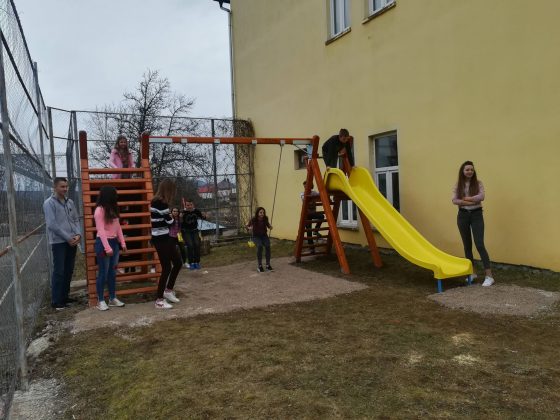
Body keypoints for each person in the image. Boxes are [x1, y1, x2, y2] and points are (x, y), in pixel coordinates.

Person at [452, 161, 495, 287]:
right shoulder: (458, 185)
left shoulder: (478, 183)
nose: (469, 171)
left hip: (477, 215)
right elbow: (454, 200)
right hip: (463, 216)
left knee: (479, 244)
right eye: (467, 169)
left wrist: (465, 199)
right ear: (462, 171)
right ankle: (472, 273)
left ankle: (489, 276)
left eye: (471, 169)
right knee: (467, 246)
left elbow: (481, 197)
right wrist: (471, 202)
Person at [43, 177, 82, 310]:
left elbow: (76, 219)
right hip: (59, 242)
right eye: (62, 186)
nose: (65, 189)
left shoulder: (70, 202)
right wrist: (68, 238)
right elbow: (52, 225)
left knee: (69, 270)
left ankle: (65, 297)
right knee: (59, 271)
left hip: (72, 241)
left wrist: (78, 234)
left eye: (66, 186)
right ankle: (56, 301)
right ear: (55, 187)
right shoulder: (49, 203)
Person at [150, 179, 183, 308]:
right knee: (167, 267)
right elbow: (170, 222)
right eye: (172, 191)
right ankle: (159, 300)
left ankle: (168, 291)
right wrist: (174, 217)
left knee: (178, 262)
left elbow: (166, 220)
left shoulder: (157, 202)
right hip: (160, 239)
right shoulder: (160, 203)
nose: (173, 194)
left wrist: (169, 216)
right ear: (168, 190)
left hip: (165, 237)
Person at [93, 186, 127, 310]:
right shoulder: (99, 210)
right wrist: (107, 248)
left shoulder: (113, 209)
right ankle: (100, 300)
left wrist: (122, 243)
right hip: (103, 244)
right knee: (103, 272)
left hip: (114, 243)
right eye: (114, 194)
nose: (116, 196)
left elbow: (118, 227)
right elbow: (100, 230)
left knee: (112, 272)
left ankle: (112, 298)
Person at [181, 199, 207, 270]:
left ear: (193, 205)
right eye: (188, 205)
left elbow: (203, 217)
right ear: (185, 206)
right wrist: (180, 217)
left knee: (197, 245)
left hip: (195, 230)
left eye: (191, 205)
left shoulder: (196, 211)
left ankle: (197, 262)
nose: (189, 206)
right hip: (186, 231)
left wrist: (205, 216)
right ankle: (191, 263)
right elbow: (179, 220)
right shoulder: (183, 212)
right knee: (190, 246)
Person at [246, 207, 273, 273]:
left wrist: (270, 227)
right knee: (260, 246)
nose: (262, 214)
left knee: (268, 246)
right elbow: (247, 226)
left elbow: (268, 225)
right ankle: (260, 266)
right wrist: (249, 228)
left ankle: (267, 265)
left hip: (264, 236)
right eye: (261, 212)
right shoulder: (253, 219)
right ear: (257, 213)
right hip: (256, 236)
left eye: (263, 212)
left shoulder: (265, 218)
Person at [300, 180, 324, 246]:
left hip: (312, 213)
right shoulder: (302, 194)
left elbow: (320, 195)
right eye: (305, 187)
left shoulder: (314, 193)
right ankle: (311, 247)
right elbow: (304, 199)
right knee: (309, 230)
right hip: (306, 214)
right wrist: (313, 197)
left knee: (321, 216)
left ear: (311, 187)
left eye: (307, 186)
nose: (306, 188)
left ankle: (316, 230)